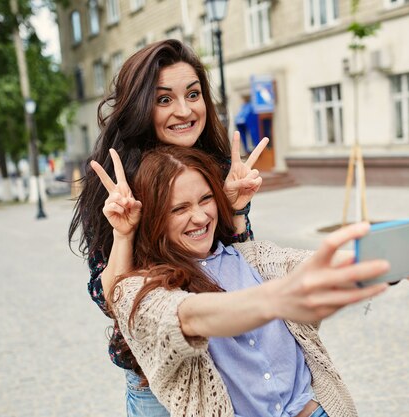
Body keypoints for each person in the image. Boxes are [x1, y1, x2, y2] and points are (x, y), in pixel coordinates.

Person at [103, 145, 409, 417]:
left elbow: (319, 266)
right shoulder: (146, 290)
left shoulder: (251, 256)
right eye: (178, 209)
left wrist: (399, 262)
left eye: (206, 199)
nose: (199, 216)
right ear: (154, 219)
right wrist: (277, 300)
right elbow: (189, 317)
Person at [68, 39, 267, 416]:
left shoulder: (218, 166)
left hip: (231, 361)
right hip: (159, 376)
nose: (185, 110)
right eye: (164, 100)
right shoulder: (116, 181)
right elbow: (109, 299)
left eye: (193, 94)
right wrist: (124, 232)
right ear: (141, 107)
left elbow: (240, 266)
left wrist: (235, 209)